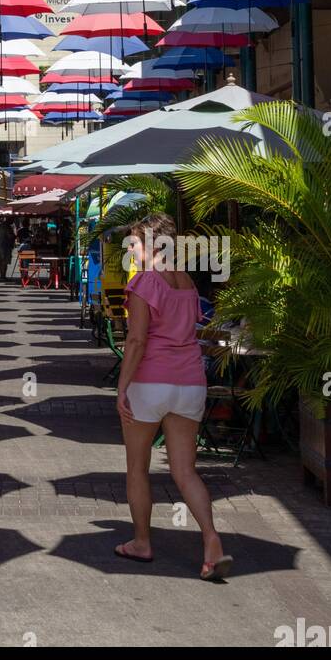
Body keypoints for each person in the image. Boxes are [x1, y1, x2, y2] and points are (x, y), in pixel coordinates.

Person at [115, 213, 232, 581]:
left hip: (150, 382)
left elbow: (136, 341)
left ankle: (142, 542)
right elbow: (191, 326)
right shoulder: (186, 283)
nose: (131, 250)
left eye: (134, 243)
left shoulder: (144, 283)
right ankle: (211, 540)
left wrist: (122, 386)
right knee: (185, 470)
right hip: (190, 382)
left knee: (137, 467)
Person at [0, 216, 16, 283]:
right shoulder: (7, 227)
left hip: (0, 244)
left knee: (1, 261)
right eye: (12, 220)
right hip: (5, 245)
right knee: (4, 261)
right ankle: (3, 276)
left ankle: (2, 276)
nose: (13, 222)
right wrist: (14, 235)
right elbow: (10, 236)